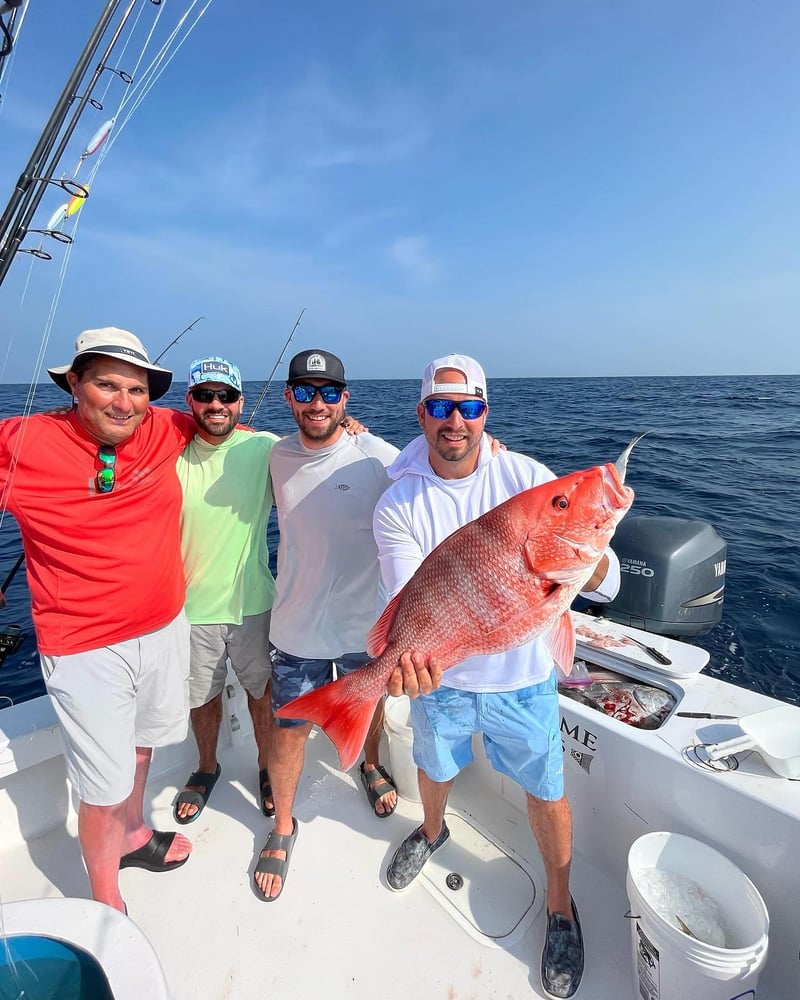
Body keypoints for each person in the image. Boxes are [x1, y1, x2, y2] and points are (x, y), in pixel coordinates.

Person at [372, 354, 622, 1000]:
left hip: (525, 682)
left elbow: (609, 581)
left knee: (546, 788)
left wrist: (583, 559)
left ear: (487, 411)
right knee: (433, 765)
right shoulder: (399, 500)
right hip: (441, 680)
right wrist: (406, 663)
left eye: (469, 407)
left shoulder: (526, 476)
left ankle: (560, 906)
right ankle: (432, 831)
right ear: (421, 413)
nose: (455, 420)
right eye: (441, 407)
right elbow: (408, 601)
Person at [0, 327, 200, 914]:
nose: (123, 402)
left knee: (144, 746)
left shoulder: (165, 427)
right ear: (74, 385)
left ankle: (135, 834)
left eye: (137, 389)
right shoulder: (22, 442)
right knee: (103, 784)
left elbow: (217, 424)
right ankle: (105, 897)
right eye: (106, 385)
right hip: (84, 646)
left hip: (165, 625)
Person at [253, 348, 400, 902]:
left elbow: (445, 475)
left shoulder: (379, 456)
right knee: (289, 727)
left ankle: (371, 764)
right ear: (289, 397)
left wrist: (492, 452)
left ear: (347, 398)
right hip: (296, 626)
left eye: (330, 393)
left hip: (367, 624)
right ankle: (284, 826)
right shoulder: (270, 454)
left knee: (371, 705)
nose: (318, 403)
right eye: (306, 392)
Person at [172, 357, 279, 825]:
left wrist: (353, 429)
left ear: (240, 400)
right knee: (202, 697)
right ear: (189, 400)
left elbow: (324, 453)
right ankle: (206, 767)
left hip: (252, 602)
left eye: (227, 396)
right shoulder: (167, 455)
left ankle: (266, 767)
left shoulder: (266, 448)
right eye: (205, 395)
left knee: (262, 692)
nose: (216, 404)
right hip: (189, 610)